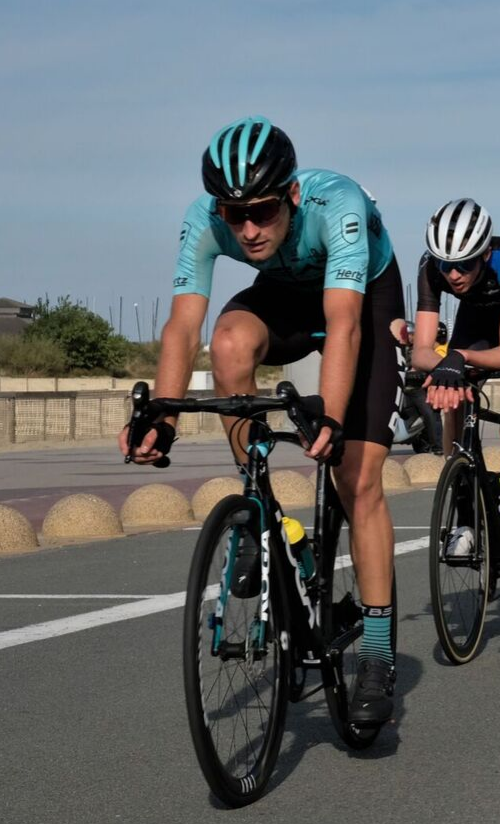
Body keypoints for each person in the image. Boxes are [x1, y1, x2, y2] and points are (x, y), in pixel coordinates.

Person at [122, 116, 402, 725]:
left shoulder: (340, 206)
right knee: (227, 345)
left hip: (361, 299)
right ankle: (260, 509)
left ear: (292, 197)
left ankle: (378, 653)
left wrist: (328, 416)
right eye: (234, 214)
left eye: (264, 212)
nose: (248, 229)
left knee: (356, 478)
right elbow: (182, 328)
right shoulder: (205, 220)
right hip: (284, 291)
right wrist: (161, 419)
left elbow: (345, 326)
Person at [409, 198, 500, 579]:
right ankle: (466, 516)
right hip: (477, 321)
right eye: (446, 264)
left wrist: (452, 356)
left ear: (485, 253)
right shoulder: (431, 267)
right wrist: (448, 365)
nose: (453, 274)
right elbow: (420, 352)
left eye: (465, 264)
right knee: (452, 396)